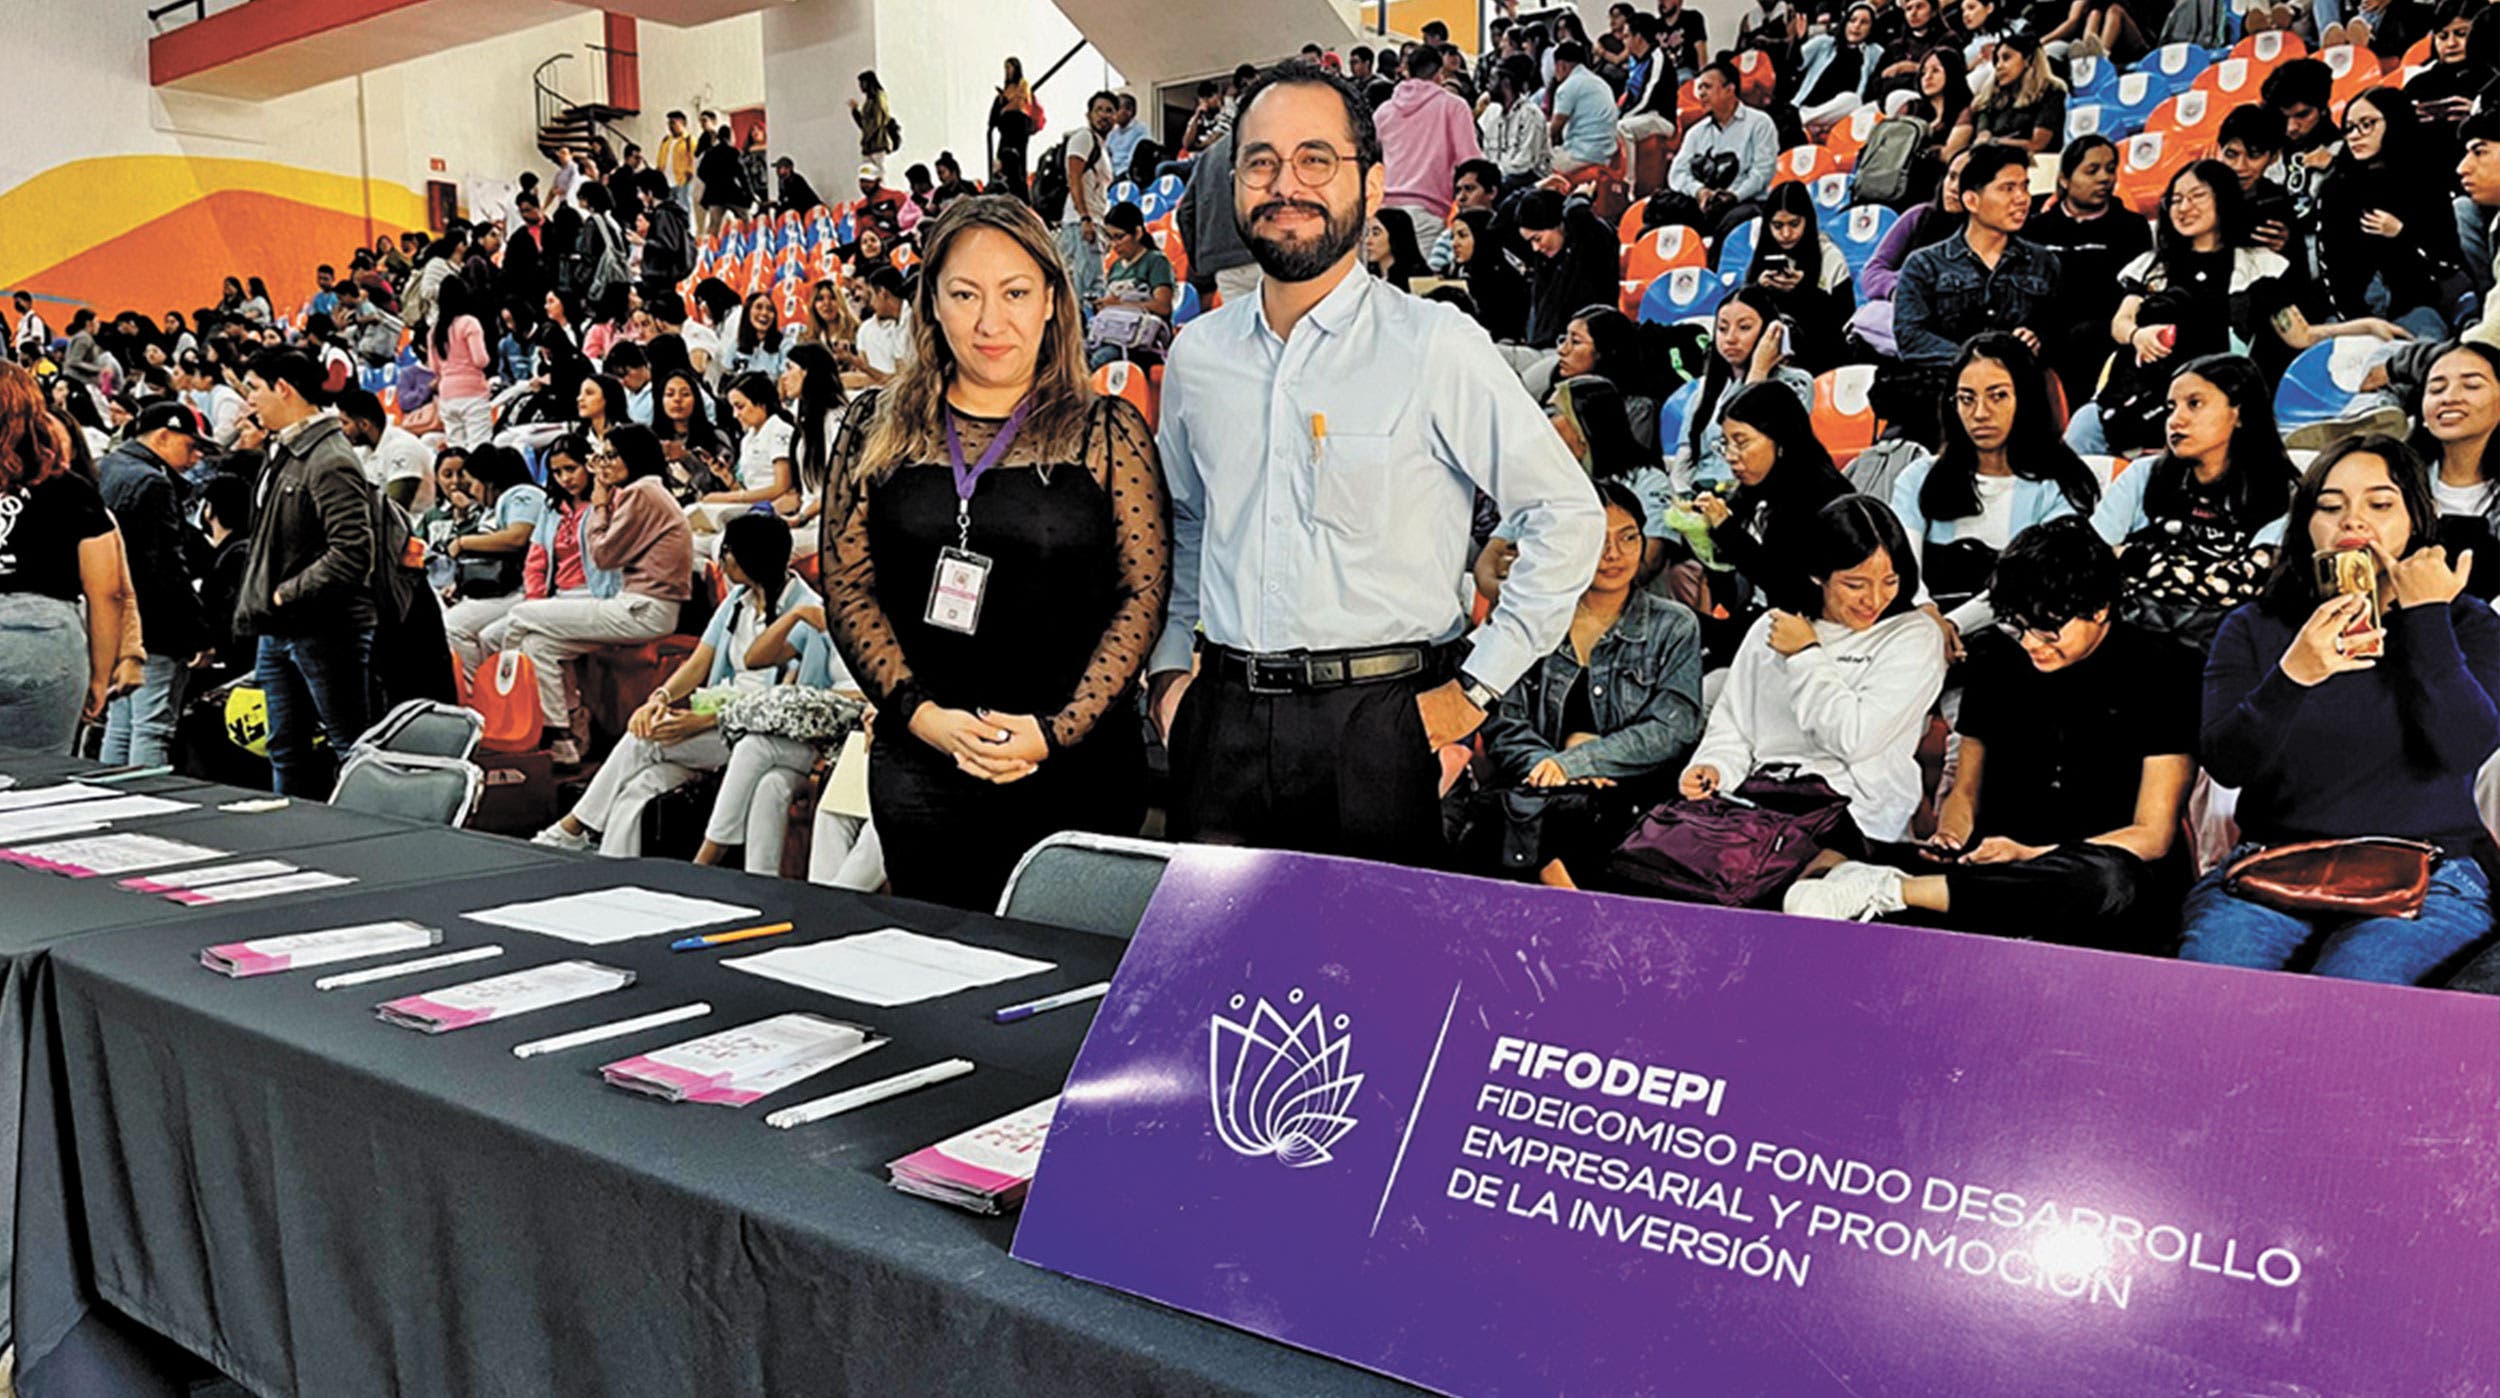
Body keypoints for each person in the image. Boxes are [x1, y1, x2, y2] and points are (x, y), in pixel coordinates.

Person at [1152, 64, 1603, 867]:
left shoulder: (1434, 345)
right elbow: (1184, 523)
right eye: (1261, 162)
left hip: (1381, 724)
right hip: (1219, 720)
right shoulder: (1198, 356)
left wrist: (1475, 690)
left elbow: (1566, 515)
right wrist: (1167, 681)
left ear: (1371, 183)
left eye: (1315, 158)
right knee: (1218, 947)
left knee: (1374, 951)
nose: (1285, 184)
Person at [820, 195, 1171, 908]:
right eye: (965, 295)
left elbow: (1143, 594)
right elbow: (847, 587)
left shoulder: (1106, 432)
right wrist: (923, 718)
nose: (990, 321)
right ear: (932, 304)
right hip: (924, 765)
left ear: (1051, 301)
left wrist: (1056, 732)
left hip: (1078, 766)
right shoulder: (871, 427)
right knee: (937, 960)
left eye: (1014, 293)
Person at [1784, 516, 2198, 945]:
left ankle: (1896, 892)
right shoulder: (1997, 659)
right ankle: (1908, 892)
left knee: (2110, 880)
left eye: (2048, 630)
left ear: (2100, 609)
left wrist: (2032, 856)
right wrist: (1950, 837)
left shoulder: (2164, 669)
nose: (2031, 643)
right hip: (1992, 866)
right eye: (2017, 626)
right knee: (1835, 850)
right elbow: (1965, 790)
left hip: (2091, 875)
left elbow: (2152, 835)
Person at [2182, 436, 2500, 983]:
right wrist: (2293, 676)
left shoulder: (2466, 623)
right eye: (2330, 506)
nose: (2353, 520)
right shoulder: (2254, 626)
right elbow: (2227, 764)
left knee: (2350, 994)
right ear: (2306, 524)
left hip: (2428, 870)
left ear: (2416, 519)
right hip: (2274, 864)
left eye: (2380, 504)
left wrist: (2426, 617)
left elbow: (2465, 745)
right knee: (2214, 991)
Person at [1679, 497, 1949, 849]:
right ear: (1817, 573)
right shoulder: (1773, 627)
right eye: (1855, 585)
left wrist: (1806, 655)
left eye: (1889, 581)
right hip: (1759, 804)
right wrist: (1715, 767)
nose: (1874, 599)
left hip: (1855, 816)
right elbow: (1735, 723)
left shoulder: (1914, 636)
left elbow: (1853, 739)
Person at [1473, 482, 1706, 887]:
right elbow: (1503, 721)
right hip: (1537, 795)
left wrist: (1578, 762)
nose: (1614, 554)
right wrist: (1548, 768)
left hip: (1631, 800)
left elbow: (1672, 728)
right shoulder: (1531, 620)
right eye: (1598, 539)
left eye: (1628, 537)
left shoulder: (1673, 625)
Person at [532, 512, 802, 856]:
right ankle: (614, 863)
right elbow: (699, 662)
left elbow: (785, 699)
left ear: (750, 558)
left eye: (727, 552)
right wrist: (659, 699)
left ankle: (572, 827)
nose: (721, 560)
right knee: (640, 785)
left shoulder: (805, 610)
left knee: (643, 740)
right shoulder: (737, 601)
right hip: (716, 717)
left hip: (755, 731)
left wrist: (702, 722)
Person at [499, 424, 693, 765]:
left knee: (518, 616)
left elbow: (603, 555)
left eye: (611, 456)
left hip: (643, 607)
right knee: (538, 646)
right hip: (638, 606)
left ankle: (511, 711)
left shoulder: (642, 492)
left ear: (633, 456)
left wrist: (600, 504)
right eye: (602, 457)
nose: (604, 465)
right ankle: (562, 736)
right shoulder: (647, 491)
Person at [1891, 333, 2100, 649]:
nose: (1980, 413)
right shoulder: (1918, 477)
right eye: (1967, 399)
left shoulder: (2060, 487)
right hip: (1920, 628)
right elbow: (1901, 565)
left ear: (2026, 399)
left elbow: (2030, 583)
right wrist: (1927, 616)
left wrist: (1952, 626)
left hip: (2018, 640)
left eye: (1998, 396)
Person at [233, 350, 376, 794]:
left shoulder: (330, 459)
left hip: (324, 629)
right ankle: (288, 830)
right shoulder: (285, 450)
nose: (249, 401)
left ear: (283, 388)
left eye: (254, 388)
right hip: (280, 627)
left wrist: (286, 593)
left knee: (350, 747)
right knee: (284, 748)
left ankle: (363, 831)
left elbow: (353, 552)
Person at [2090, 354, 2295, 647]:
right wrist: (2201, 572)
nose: (2176, 420)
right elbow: (2090, 556)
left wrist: (2130, 557)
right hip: (2131, 635)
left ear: (2240, 414)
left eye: (2195, 404)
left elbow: (2239, 584)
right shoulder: (2143, 475)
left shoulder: (2281, 492)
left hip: (2227, 646)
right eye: (2171, 407)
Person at [1885, 145, 2062, 444]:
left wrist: (2037, 337)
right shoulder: (1924, 264)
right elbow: (1911, 337)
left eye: (2024, 187)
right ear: (1971, 200)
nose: (2022, 198)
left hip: (2018, 402)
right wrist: (1977, 362)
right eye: (2008, 188)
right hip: (1940, 399)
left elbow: (2057, 328)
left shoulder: (2044, 263)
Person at [0, 363, 124, 750]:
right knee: (39, 776)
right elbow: (108, 592)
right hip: (43, 643)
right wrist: (100, 676)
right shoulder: (71, 490)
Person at [1690, 380, 1858, 661]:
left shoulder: (1821, 496)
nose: (1730, 456)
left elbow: (1789, 587)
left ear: (1780, 440)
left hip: (1808, 635)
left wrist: (1727, 530)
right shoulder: (1757, 488)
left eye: (1741, 443)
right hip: (1760, 621)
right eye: (1725, 444)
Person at [94, 400, 208, 765]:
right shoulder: (152, 483)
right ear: (163, 436)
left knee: (120, 724)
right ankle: (143, 795)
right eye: (191, 446)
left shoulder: (104, 467)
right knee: (151, 726)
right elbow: (166, 569)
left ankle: (109, 795)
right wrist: (197, 631)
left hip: (110, 617)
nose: (195, 458)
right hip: (153, 623)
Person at [2318, 88, 2459, 341]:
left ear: (2395, 122)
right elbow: (2332, 271)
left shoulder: (2426, 182)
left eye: (2367, 125)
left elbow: (2446, 264)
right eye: (2349, 128)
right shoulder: (2335, 189)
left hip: (2416, 308)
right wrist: (2359, 323)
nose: (2355, 136)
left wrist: (2402, 234)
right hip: (2354, 319)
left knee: (2425, 348)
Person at [2023, 136, 2152, 406]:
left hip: (2103, 337)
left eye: (2110, 169)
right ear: (2064, 179)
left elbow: (2129, 293)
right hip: (2046, 336)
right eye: (2092, 171)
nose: (2105, 178)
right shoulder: (2036, 229)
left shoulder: (2131, 227)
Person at [1674, 287, 1815, 490]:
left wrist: (1758, 370)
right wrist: (1682, 498)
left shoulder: (1796, 383)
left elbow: (1765, 450)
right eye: (1722, 329)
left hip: (1759, 493)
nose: (1730, 338)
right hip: (1704, 494)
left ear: (1770, 332)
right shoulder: (1704, 390)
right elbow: (1683, 465)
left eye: (1744, 327)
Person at [439, 444, 549, 674]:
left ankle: (476, 688)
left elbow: (517, 537)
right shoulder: (493, 508)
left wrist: (463, 542)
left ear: (488, 481)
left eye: (472, 483)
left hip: (529, 588)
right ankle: (481, 687)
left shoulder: (524, 494)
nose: (471, 491)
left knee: (453, 627)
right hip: (505, 589)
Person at [1743, 181, 1856, 372]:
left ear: (1808, 221)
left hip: (1821, 355)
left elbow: (1844, 320)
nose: (1786, 234)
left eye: (1794, 224)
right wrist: (1758, 289)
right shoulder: (1763, 256)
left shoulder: (1830, 257)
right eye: (1777, 226)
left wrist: (1805, 291)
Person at [1378, 44, 1484, 237]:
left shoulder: (1384, 112)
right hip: (1428, 211)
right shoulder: (1454, 106)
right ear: (1439, 74)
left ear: (1407, 71)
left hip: (1383, 210)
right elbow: (1470, 162)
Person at [1662, 61, 1776, 239]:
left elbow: (1762, 173)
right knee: (1661, 214)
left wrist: (1734, 195)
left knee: (1735, 219)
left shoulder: (1760, 123)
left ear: (1729, 89)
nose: (1701, 94)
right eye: (1699, 88)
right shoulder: (1696, 132)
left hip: (1745, 202)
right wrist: (1699, 191)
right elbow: (1677, 173)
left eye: (1707, 87)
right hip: (1704, 203)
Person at [1514, 190, 1619, 350]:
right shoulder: (1545, 262)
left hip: (1578, 351)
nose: (1535, 248)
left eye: (1537, 238)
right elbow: (1496, 228)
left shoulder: (1591, 246)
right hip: (1543, 348)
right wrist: (1536, 187)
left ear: (1559, 225)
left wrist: (1579, 198)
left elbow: (1583, 219)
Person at [1944, 33, 2065, 159]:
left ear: (2028, 60)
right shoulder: (1995, 97)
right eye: (1997, 60)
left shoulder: (2051, 93)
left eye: (2006, 58)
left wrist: (1994, 142)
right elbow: (1982, 132)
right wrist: (1984, 135)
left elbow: (2037, 145)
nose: (1998, 66)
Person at [1089, 202, 1177, 368]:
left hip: (1142, 341)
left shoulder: (1156, 262)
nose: (1114, 244)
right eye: (1110, 238)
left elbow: (1163, 307)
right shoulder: (1116, 267)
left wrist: (1121, 304)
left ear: (1137, 233)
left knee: (1101, 359)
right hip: (1112, 335)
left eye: (1119, 237)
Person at [1056, 91, 1121, 313]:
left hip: (1091, 221)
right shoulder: (1084, 138)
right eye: (1099, 110)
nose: (1104, 115)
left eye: (1109, 111)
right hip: (1082, 223)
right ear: (1089, 115)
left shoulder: (1101, 147)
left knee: (1085, 288)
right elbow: (1073, 178)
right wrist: (1085, 218)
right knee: (1089, 290)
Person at [701, 371, 797, 515]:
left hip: (779, 510)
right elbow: (750, 490)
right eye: (733, 408)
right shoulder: (747, 439)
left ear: (761, 404)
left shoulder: (779, 431)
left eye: (740, 407)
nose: (735, 415)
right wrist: (728, 479)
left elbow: (781, 487)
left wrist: (729, 498)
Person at [1546, 41, 1622, 180]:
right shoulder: (1600, 82)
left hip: (1580, 156)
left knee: (1537, 162)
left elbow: (1554, 130)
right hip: (1606, 154)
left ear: (1561, 65)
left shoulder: (1568, 86)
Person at [1452, 207, 1529, 342]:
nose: (1454, 243)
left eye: (1462, 235)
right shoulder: (1457, 272)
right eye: (1452, 237)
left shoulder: (1506, 280)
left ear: (1481, 236)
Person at [1478, 56, 1553, 190]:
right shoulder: (1491, 111)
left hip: (1527, 180)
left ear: (1506, 83)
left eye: (1493, 79)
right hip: (1497, 177)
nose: (1488, 85)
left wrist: (1492, 178)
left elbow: (1524, 163)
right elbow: (1484, 152)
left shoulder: (1530, 114)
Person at [990, 58, 1038, 202]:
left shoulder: (1022, 84)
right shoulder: (1007, 87)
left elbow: (1019, 102)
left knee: (1017, 159)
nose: (1008, 71)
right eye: (1006, 68)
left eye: (1010, 68)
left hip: (1017, 124)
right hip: (1006, 125)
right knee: (1003, 156)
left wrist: (1005, 105)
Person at [1360, 210, 1432, 291]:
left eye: (1376, 233)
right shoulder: (1365, 278)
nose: (1367, 241)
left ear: (1395, 236)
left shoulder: (1417, 280)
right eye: (1366, 233)